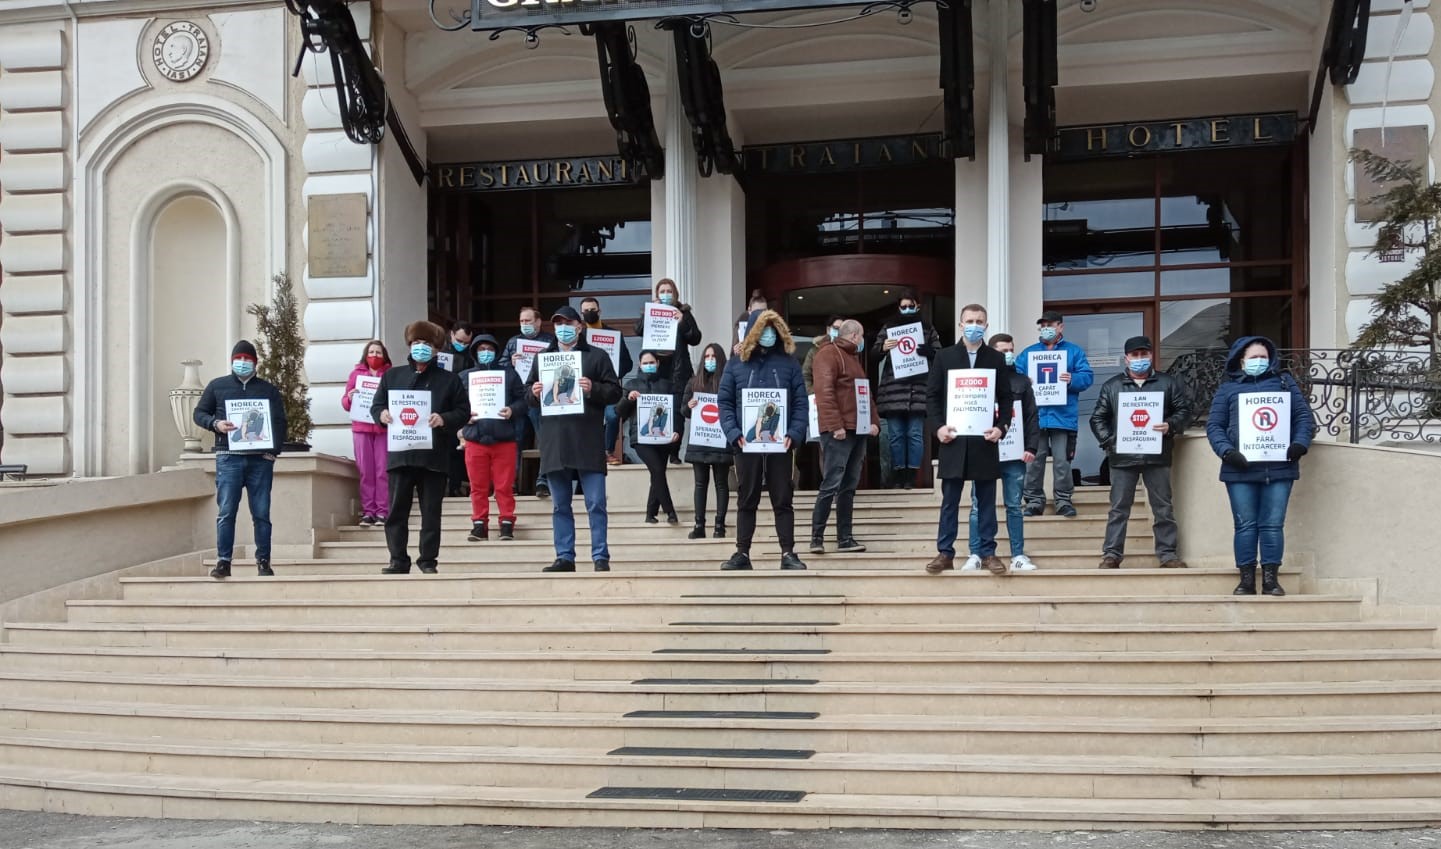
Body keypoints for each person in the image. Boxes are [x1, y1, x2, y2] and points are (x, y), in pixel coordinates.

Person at [1205, 336, 1314, 596]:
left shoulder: (1285, 384)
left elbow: (1303, 418)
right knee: (1244, 525)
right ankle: (1245, 580)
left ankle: (1270, 580)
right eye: (1253, 358)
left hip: (1279, 468)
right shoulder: (1227, 390)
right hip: (1239, 470)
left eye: (1263, 357)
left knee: (1273, 525)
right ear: (1241, 360)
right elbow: (1214, 426)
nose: (1259, 362)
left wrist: (1299, 444)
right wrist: (1228, 452)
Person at [528, 305, 623, 572]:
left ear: (579, 326)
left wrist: (594, 389)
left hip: (587, 439)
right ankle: (565, 556)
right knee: (560, 504)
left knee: (595, 503)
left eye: (568, 323)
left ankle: (600, 556)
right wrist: (534, 393)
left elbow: (616, 392)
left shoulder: (596, 356)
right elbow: (526, 397)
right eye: (558, 324)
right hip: (555, 441)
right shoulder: (542, 359)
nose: (563, 328)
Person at [370, 321, 469, 575]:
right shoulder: (393, 376)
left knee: (431, 514)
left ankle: (427, 561)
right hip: (400, 455)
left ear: (436, 348)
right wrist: (382, 415)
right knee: (395, 512)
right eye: (416, 343)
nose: (421, 348)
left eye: (426, 344)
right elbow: (376, 405)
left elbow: (463, 411)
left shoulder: (449, 380)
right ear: (409, 345)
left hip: (434, 457)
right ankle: (398, 559)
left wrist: (444, 418)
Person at [924, 304, 1015, 576]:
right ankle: (945, 552)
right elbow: (932, 396)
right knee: (950, 501)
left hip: (984, 440)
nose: (974, 325)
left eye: (979, 321)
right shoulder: (944, 356)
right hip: (953, 438)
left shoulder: (996, 359)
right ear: (961, 324)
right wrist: (937, 427)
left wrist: (1002, 427)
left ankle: (988, 553)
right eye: (969, 320)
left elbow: (1007, 398)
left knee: (986, 500)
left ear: (986, 326)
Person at [1089, 335, 1192, 570]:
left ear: (1151, 355)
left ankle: (1167, 554)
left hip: (1157, 455)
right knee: (1118, 508)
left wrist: (1171, 425)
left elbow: (1184, 411)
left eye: (1143, 354)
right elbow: (1098, 418)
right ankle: (1112, 555)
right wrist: (1110, 441)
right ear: (1126, 359)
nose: (1139, 359)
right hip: (1122, 457)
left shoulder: (1168, 382)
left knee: (1163, 507)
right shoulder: (1112, 386)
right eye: (1134, 355)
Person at [717, 309, 809, 571]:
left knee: (783, 498)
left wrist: (795, 432)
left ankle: (788, 553)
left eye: (773, 328)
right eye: (763, 329)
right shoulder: (736, 364)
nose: (768, 334)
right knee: (747, 497)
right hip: (746, 444)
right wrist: (734, 433)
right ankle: (742, 553)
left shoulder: (790, 363)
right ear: (753, 331)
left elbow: (800, 403)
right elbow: (723, 402)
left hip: (782, 443)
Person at [192, 340, 288, 579]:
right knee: (226, 511)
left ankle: (263, 561)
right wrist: (215, 424)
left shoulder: (268, 390)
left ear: (255, 362)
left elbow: (279, 423)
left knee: (262, 514)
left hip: (260, 460)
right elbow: (199, 413)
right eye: (239, 358)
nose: (243, 363)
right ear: (232, 360)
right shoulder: (217, 386)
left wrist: (272, 453)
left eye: (248, 359)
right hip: (228, 457)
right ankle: (224, 561)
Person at [970, 333, 1040, 572]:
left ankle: (1018, 555)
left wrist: (1031, 447)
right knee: (978, 506)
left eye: (1011, 350)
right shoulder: (977, 379)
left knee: (1013, 505)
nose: (1008, 354)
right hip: (982, 451)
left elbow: (1031, 416)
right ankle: (976, 554)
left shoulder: (1022, 382)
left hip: (1014, 453)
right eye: (1002, 350)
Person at [809, 319, 879, 554]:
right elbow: (824, 392)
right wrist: (835, 425)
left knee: (848, 486)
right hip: (839, 431)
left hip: (857, 429)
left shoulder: (852, 358)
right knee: (831, 483)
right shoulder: (828, 354)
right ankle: (816, 538)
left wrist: (873, 422)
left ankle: (845, 538)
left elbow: (865, 394)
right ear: (855, 336)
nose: (861, 341)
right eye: (861, 337)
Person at [1016, 310, 1094, 517]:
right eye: (1042, 326)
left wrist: (1072, 379)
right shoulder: (1028, 354)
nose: (1046, 329)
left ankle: (1063, 501)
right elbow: (1014, 377)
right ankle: (1033, 501)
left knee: (1062, 462)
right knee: (1033, 461)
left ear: (1061, 327)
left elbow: (1087, 377)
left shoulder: (1074, 352)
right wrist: (1024, 382)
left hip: (1063, 417)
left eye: (1050, 325)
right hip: (1035, 417)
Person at [457, 334, 526, 542]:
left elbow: (523, 401)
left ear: (496, 352)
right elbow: (455, 406)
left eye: (489, 348)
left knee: (504, 486)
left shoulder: (510, 375)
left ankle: (506, 523)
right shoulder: (464, 376)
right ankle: (479, 524)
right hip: (475, 439)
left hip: (504, 438)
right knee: (477, 486)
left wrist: (512, 410)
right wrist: (464, 417)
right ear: (474, 353)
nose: (485, 352)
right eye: (481, 349)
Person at [874, 291, 943, 490]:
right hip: (893, 391)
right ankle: (898, 473)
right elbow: (873, 354)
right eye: (903, 307)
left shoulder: (928, 329)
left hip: (918, 391)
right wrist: (883, 348)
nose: (906, 310)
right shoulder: (889, 328)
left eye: (909, 306)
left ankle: (911, 475)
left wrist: (928, 352)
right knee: (895, 435)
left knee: (914, 434)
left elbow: (940, 354)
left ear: (918, 306)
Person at [618, 350, 682, 525]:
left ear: (658, 363)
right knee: (658, 470)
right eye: (645, 363)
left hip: (663, 437)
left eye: (651, 362)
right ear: (640, 365)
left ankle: (650, 513)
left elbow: (676, 412)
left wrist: (676, 430)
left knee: (657, 473)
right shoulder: (631, 385)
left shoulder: (668, 385)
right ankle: (670, 511)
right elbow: (619, 412)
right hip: (641, 438)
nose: (649, 365)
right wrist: (629, 399)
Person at [502, 306, 555, 498]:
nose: (525, 325)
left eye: (528, 321)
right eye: (522, 321)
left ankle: (543, 481)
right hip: (517, 397)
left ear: (538, 322)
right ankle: (512, 483)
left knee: (545, 438)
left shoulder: (550, 341)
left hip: (539, 399)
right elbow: (500, 369)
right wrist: (510, 363)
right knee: (514, 440)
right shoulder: (513, 342)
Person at [681, 343, 733, 539]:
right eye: (707, 356)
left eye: (713, 357)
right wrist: (689, 405)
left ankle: (719, 525)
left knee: (721, 483)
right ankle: (699, 525)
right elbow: (684, 411)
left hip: (721, 440)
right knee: (700, 484)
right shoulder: (694, 382)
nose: (710, 360)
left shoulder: (727, 382)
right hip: (699, 440)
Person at [340, 340, 392, 527]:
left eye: (379, 352)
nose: (375, 356)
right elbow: (345, 403)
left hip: (382, 429)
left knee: (382, 471)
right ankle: (368, 512)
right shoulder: (356, 374)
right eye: (371, 352)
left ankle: (382, 511)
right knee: (366, 472)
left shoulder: (390, 375)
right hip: (361, 429)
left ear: (384, 355)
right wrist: (350, 397)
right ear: (365, 354)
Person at [650, 278, 702, 464]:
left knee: (679, 413)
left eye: (669, 291)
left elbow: (696, 337)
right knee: (661, 409)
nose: (665, 294)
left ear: (675, 294)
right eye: (662, 291)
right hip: (659, 371)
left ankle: (674, 451)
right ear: (657, 294)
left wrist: (682, 322)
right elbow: (638, 329)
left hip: (680, 371)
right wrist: (650, 312)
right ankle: (660, 448)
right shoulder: (652, 311)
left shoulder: (684, 312)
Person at [580, 296, 634, 465]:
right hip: (587, 389)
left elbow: (628, 363)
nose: (590, 313)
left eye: (593, 310)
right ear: (582, 314)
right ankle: (588, 452)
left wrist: (614, 371)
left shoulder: (614, 335)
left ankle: (607, 451)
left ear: (600, 311)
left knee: (612, 416)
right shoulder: (579, 337)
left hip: (609, 387)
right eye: (586, 311)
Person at [444, 322, 478, 497]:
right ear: (451, 335)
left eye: (467, 342)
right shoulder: (441, 355)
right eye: (459, 341)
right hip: (444, 409)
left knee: (462, 450)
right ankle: (448, 486)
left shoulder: (472, 357)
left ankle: (457, 486)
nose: (463, 345)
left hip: (465, 407)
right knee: (447, 449)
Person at [802, 315, 845, 393]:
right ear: (828, 329)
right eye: (836, 328)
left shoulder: (847, 351)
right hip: (820, 398)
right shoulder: (814, 351)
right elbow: (806, 375)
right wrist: (812, 392)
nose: (839, 332)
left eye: (842, 329)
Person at [733, 289, 768, 356]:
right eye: (756, 312)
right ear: (749, 310)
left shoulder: (772, 323)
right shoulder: (741, 325)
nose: (760, 315)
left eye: (763, 311)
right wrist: (736, 352)